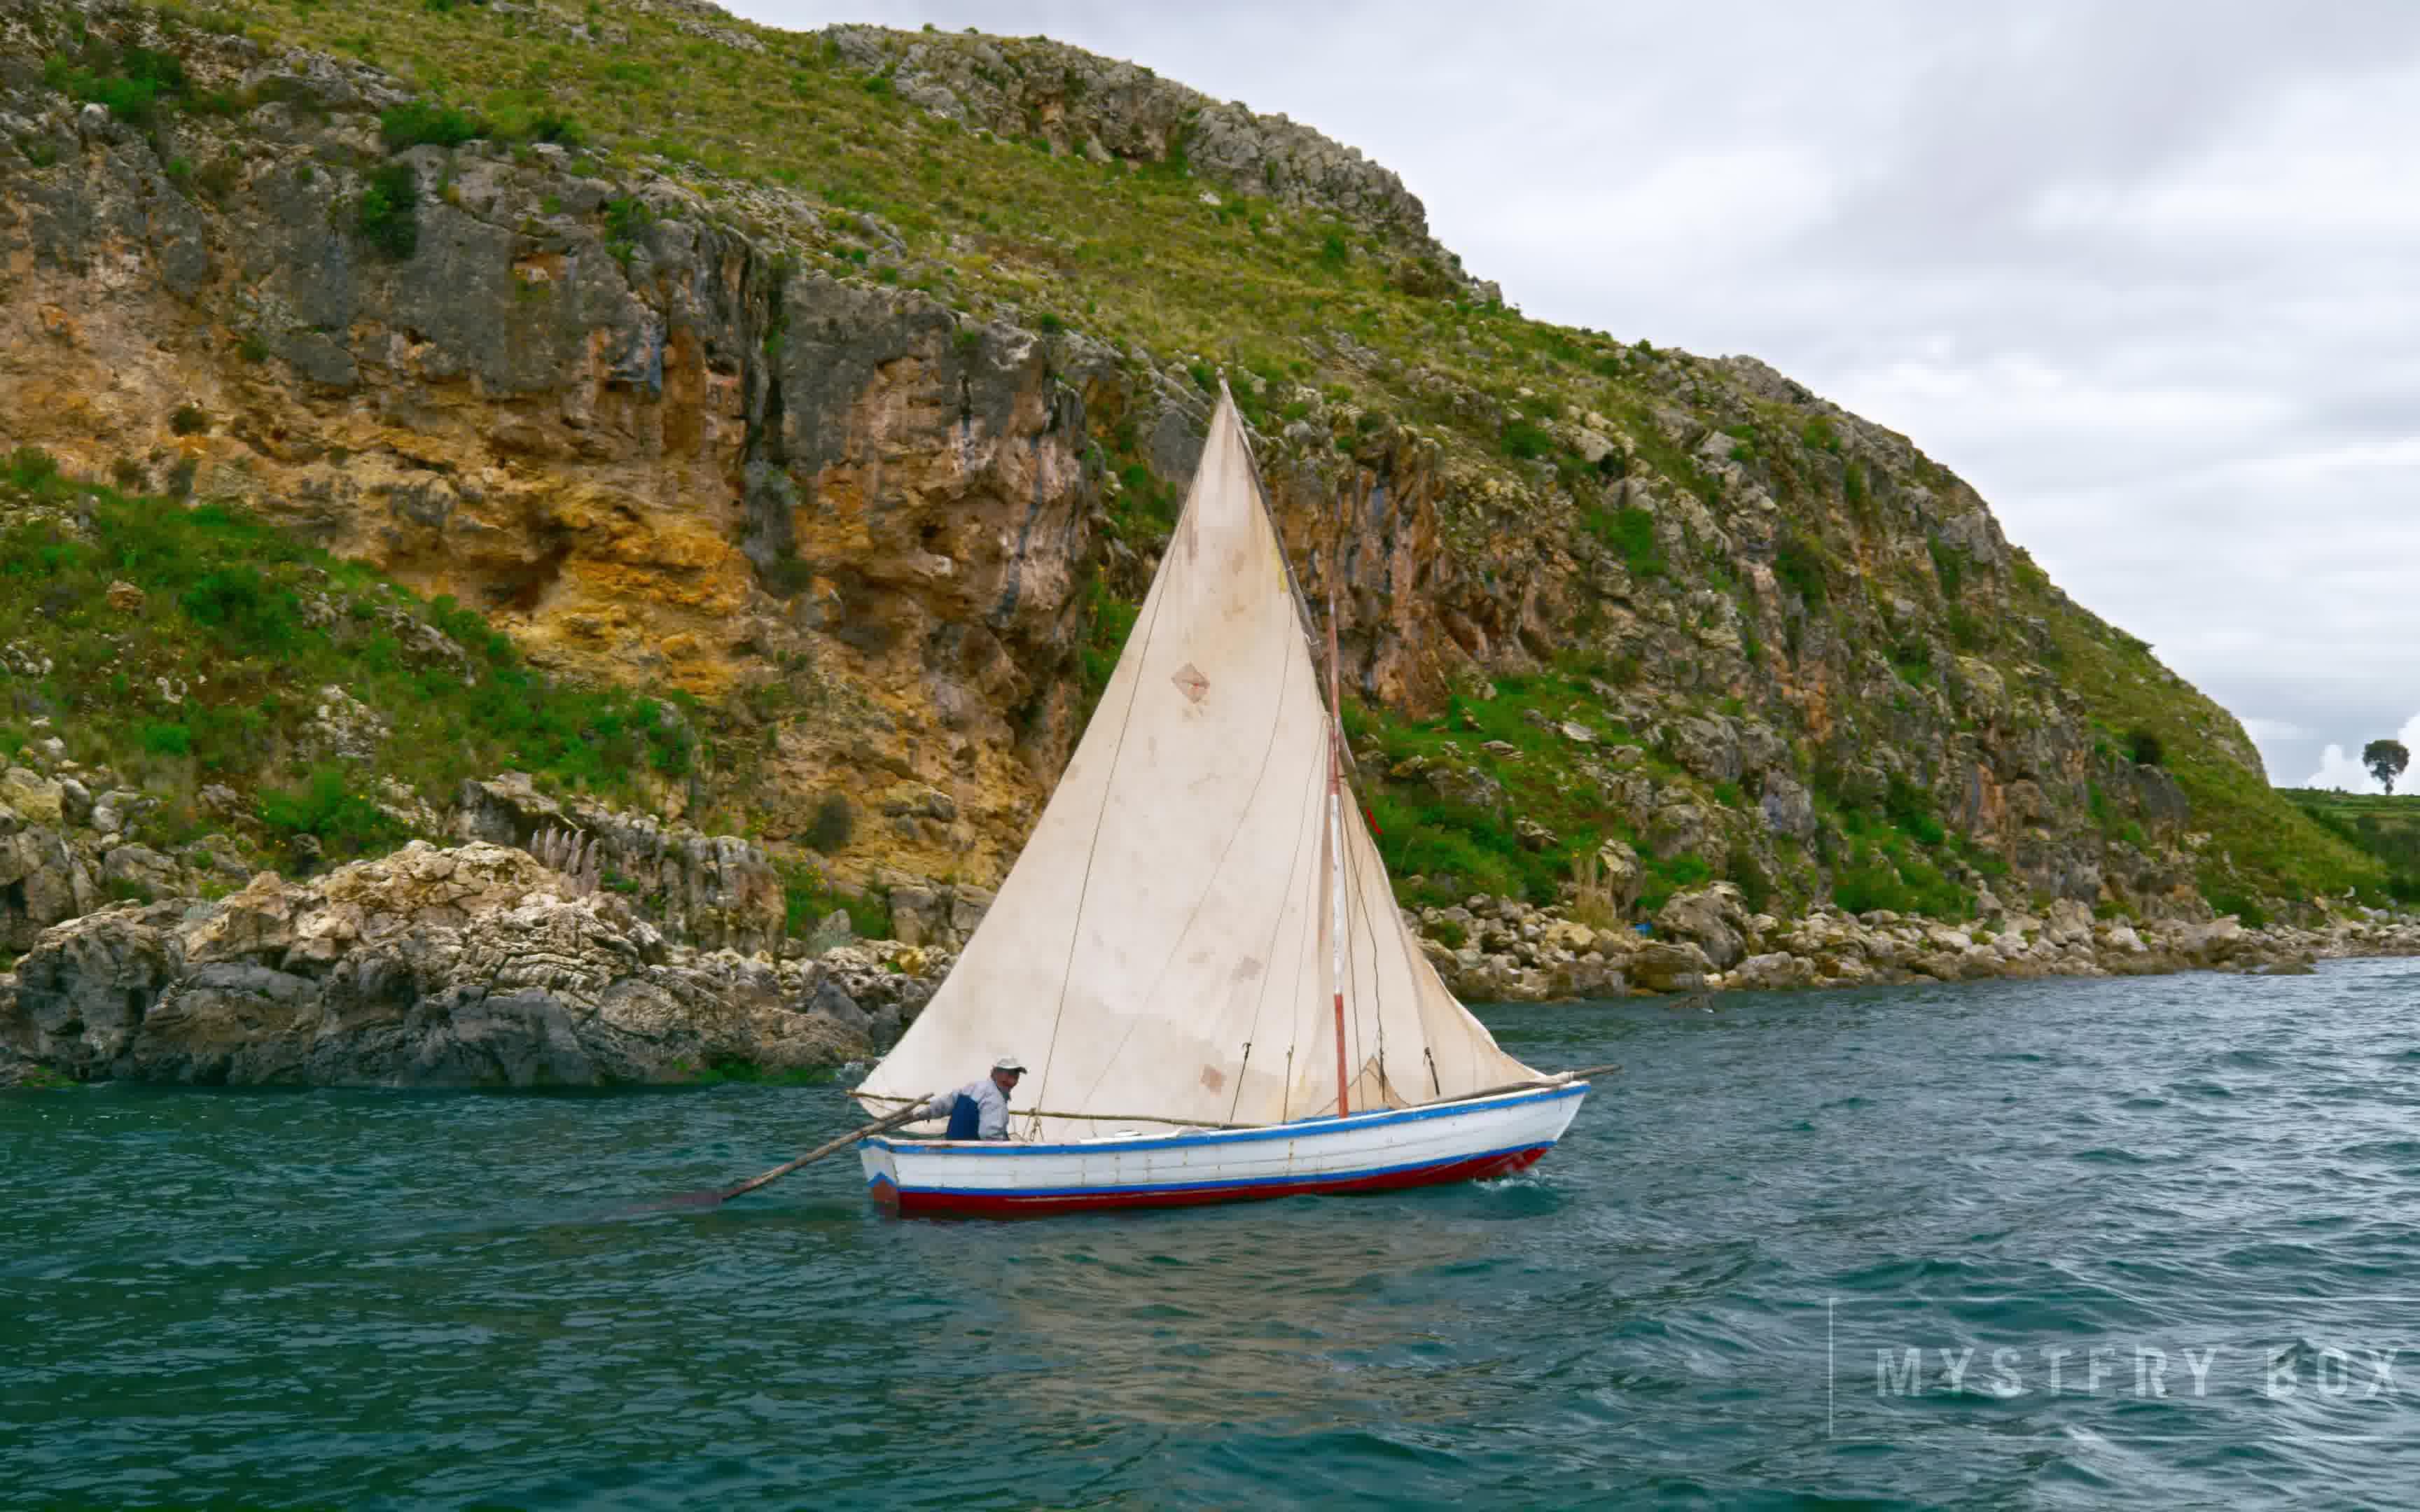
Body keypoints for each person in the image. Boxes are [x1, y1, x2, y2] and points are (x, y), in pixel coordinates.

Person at [916, 1056, 1026, 1140]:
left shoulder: (973, 1087)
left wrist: (924, 1114)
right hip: (971, 1156)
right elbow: (990, 1136)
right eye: (1009, 1075)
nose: (1013, 1081)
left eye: (1016, 1076)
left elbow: (944, 1104)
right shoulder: (995, 1100)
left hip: (951, 1150)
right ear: (995, 1073)